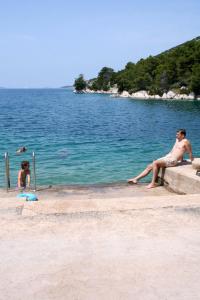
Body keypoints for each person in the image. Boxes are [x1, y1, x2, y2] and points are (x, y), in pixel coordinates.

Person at [128, 129, 193, 189]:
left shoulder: (186, 142)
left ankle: (153, 183)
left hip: (173, 160)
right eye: (176, 134)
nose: (176, 135)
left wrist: (191, 161)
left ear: (183, 135)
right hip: (168, 157)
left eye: (178, 134)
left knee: (155, 163)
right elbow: (177, 150)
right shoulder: (177, 140)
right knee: (150, 165)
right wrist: (181, 159)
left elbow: (189, 152)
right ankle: (136, 179)